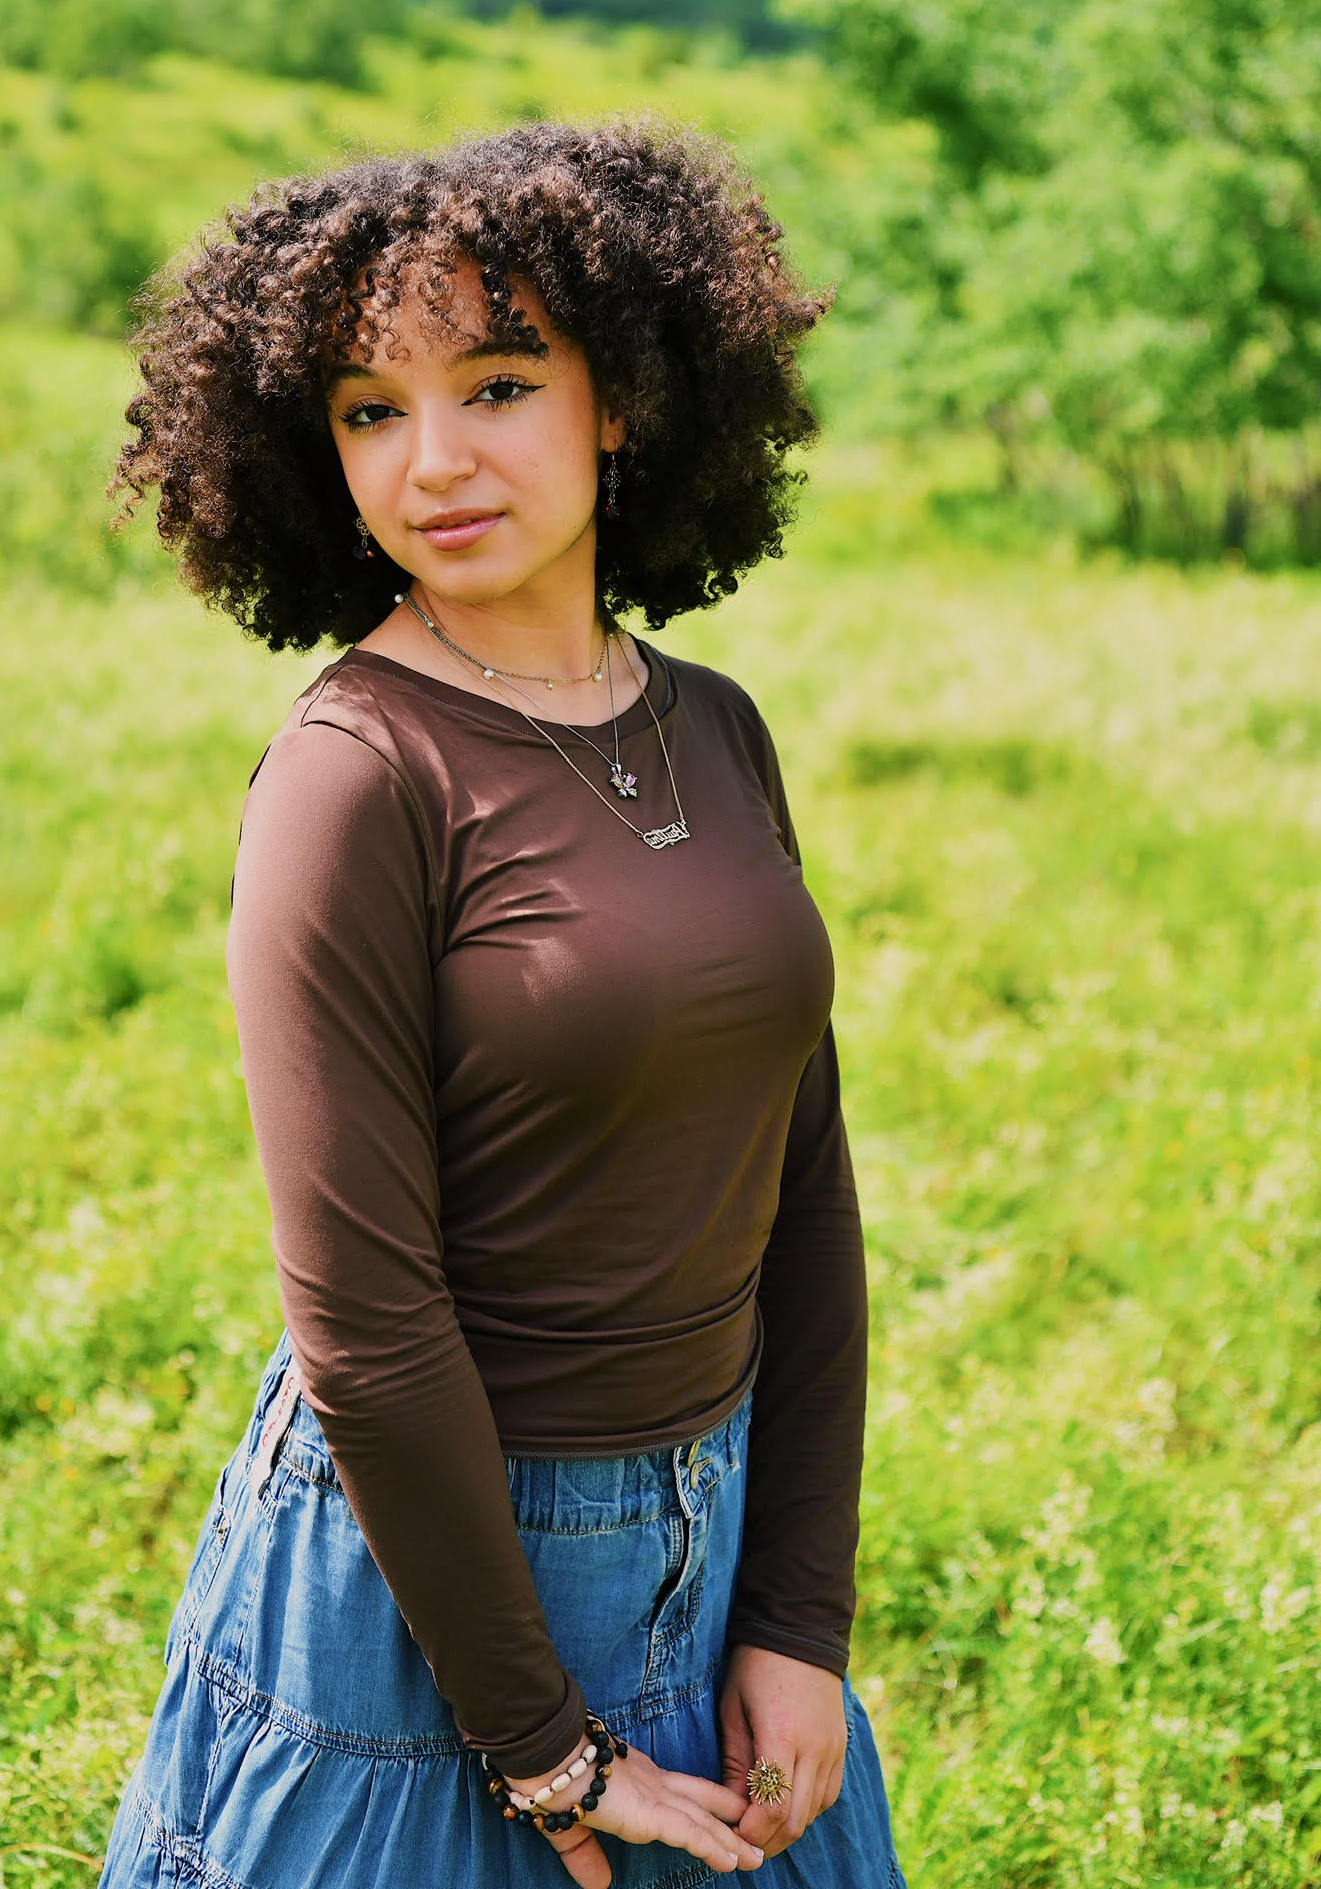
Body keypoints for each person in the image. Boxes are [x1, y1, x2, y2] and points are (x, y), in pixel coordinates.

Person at [98, 124, 905, 1889]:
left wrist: (797, 1615)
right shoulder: (354, 771)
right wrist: (541, 1747)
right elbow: (365, 1327)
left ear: (622, 397)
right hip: (440, 1578)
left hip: (720, 1511)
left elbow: (810, 1195)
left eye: (499, 382)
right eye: (370, 409)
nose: (434, 461)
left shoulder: (714, 725)